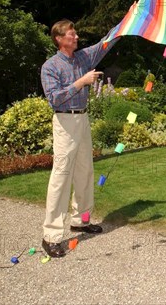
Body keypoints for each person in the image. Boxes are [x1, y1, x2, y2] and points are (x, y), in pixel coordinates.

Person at [40, 19, 119, 258]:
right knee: (62, 177)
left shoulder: (84, 57)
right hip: (64, 122)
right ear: (59, 39)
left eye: (75, 34)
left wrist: (130, 17)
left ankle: (81, 220)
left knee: (85, 173)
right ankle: (51, 236)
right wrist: (80, 83)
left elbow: (107, 42)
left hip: (82, 120)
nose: (76, 38)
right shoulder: (50, 66)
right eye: (72, 35)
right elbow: (54, 99)